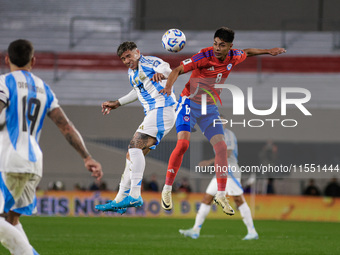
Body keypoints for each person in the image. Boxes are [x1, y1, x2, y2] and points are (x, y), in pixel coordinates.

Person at [159, 27, 286, 214]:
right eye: (216, 43)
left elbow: (248, 52)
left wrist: (269, 51)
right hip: (189, 103)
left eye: (222, 45)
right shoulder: (203, 56)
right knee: (184, 144)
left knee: (221, 148)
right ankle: (167, 189)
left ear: (230, 47)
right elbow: (178, 69)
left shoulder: (234, 56)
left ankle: (220, 194)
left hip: (209, 108)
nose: (217, 48)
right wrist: (169, 87)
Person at [0, 39, 103, 255]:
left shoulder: (4, 83)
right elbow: (66, 126)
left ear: (7, 59)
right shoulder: (43, 88)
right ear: (33, 61)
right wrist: (87, 157)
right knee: (11, 218)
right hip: (33, 163)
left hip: (7, 160)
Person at [95, 41, 176, 213]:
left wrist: (161, 73)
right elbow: (137, 91)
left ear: (137, 52)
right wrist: (117, 103)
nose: (126, 60)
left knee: (134, 146)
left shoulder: (149, 62)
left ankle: (135, 195)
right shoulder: (131, 73)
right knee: (131, 155)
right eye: (123, 58)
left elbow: (168, 68)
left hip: (162, 108)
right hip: (155, 113)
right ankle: (119, 200)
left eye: (128, 56)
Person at [179, 127, 258, 240]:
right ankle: (195, 230)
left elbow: (228, 153)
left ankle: (252, 232)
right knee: (207, 198)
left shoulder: (228, 134)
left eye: (222, 121)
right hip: (220, 170)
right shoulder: (215, 135)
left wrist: (209, 162)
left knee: (238, 200)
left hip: (230, 170)